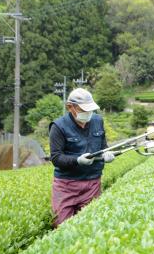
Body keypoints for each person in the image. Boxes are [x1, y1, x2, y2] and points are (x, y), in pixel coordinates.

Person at [49, 88, 115, 227]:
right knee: (61, 225)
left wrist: (105, 154)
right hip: (66, 185)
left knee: (89, 226)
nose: (88, 113)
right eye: (83, 110)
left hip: (92, 183)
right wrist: (77, 160)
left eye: (90, 110)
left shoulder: (98, 121)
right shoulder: (58, 126)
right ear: (70, 107)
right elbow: (56, 157)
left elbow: (103, 146)